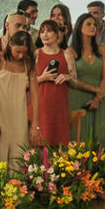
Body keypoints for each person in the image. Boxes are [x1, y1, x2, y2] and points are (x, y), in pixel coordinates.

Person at [0, 30, 33, 162]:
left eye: (24, 52)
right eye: (18, 51)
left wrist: (35, 124)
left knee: (19, 157)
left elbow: (35, 94)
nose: (21, 56)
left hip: (18, 117)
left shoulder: (28, 63)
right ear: (10, 44)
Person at [69, 14, 105, 146]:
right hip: (78, 97)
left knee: (99, 136)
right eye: (88, 24)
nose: (93, 27)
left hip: (99, 98)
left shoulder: (102, 49)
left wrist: (98, 97)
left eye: (94, 24)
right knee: (79, 138)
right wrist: (96, 90)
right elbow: (72, 80)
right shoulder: (70, 52)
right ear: (79, 27)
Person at [30, 19, 72, 147]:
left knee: (61, 146)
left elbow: (74, 77)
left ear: (58, 34)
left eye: (49, 31)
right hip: (40, 106)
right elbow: (26, 82)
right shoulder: (36, 54)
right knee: (39, 146)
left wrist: (67, 76)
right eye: (42, 32)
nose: (45, 35)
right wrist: (43, 77)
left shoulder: (66, 54)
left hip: (59, 107)